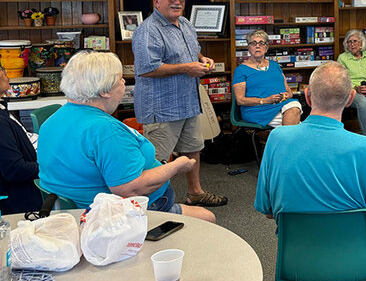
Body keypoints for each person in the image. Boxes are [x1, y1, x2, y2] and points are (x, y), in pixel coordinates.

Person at [254, 62, 366, 281]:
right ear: (350, 99)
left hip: (297, 255)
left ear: (307, 96)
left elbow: (268, 211)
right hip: (355, 255)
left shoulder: (276, 139)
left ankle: (333, 275)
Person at [37, 52, 214, 222]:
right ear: (104, 91)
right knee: (208, 218)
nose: (124, 82)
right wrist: (177, 165)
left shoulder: (53, 120)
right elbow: (131, 188)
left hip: (72, 211)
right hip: (119, 215)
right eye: (119, 79)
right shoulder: (105, 131)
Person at [132, 0, 226, 207]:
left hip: (187, 102)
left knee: (194, 148)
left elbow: (193, 50)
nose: (177, 2)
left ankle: (195, 192)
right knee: (156, 160)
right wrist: (187, 67)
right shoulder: (147, 30)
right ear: (157, 1)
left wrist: (202, 59)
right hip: (162, 107)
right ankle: (151, 204)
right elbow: (146, 69)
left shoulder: (184, 23)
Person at [233, 29, 301, 127]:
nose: (257, 46)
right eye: (253, 43)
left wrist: (284, 96)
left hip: (281, 106)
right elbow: (240, 100)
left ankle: (284, 140)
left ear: (267, 47)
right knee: (295, 122)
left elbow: (289, 92)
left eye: (261, 43)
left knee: (294, 107)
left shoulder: (275, 66)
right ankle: (287, 140)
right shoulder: (241, 70)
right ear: (248, 47)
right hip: (256, 110)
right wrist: (265, 100)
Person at [0, 64, 41, 214]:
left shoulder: (3, 110)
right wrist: (49, 167)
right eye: (1, 70)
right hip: (18, 205)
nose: (5, 73)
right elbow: (14, 169)